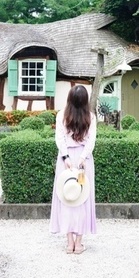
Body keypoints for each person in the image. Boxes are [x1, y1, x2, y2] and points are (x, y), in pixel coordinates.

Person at [49, 84, 97, 254]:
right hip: (84, 163)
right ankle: (79, 243)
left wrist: (66, 157)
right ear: (85, 101)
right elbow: (91, 140)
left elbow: (59, 139)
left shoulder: (62, 115)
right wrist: (83, 157)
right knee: (82, 199)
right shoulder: (90, 117)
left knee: (67, 198)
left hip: (66, 161)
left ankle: (69, 243)